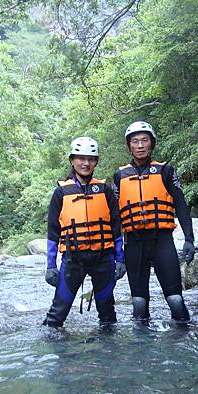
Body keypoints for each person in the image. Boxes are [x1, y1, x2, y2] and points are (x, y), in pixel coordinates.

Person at [113, 121, 195, 323]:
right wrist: (118, 256)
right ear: (129, 146)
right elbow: (114, 219)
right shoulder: (119, 176)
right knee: (139, 306)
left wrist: (189, 239)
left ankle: (183, 342)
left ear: (152, 144)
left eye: (144, 140)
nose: (140, 145)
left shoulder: (165, 171)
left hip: (162, 241)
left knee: (175, 300)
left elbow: (181, 205)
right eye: (135, 141)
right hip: (134, 243)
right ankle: (142, 351)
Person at [43, 137, 125, 327]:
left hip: (103, 258)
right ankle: (54, 354)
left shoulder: (105, 190)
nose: (85, 163)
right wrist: (50, 265)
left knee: (108, 315)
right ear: (72, 160)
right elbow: (53, 232)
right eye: (80, 158)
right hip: (73, 259)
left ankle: (108, 353)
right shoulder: (61, 193)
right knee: (57, 315)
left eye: (90, 159)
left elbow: (116, 226)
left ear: (96, 161)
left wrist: (120, 259)